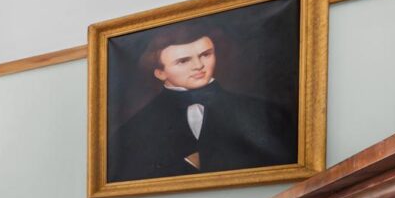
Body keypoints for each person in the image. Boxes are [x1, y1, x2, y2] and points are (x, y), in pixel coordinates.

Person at [108, 23, 295, 183]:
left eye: (205, 54)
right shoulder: (132, 130)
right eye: (183, 61)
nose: (198, 66)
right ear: (160, 73)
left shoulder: (265, 113)